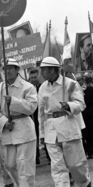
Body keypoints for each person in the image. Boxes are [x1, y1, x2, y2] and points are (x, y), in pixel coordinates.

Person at [38, 56, 92, 187]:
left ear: (52, 70)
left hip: (68, 127)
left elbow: (81, 104)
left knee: (76, 164)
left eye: (43, 70)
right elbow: (41, 113)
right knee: (57, 167)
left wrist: (69, 105)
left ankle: (85, 183)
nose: (41, 73)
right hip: (51, 130)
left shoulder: (70, 83)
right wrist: (42, 134)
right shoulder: (42, 87)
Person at [0, 58, 37, 187]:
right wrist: (4, 122)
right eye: (5, 69)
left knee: (25, 167)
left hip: (24, 129)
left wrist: (13, 101)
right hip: (8, 131)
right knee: (10, 165)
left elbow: (31, 107)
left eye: (10, 68)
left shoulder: (28, 86)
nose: (7, 71)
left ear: (17, 70)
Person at [28, 68, 51, 165]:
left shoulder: (43, 87)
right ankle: (36, 157)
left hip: (42, 116)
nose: (33, 79)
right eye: (31, 78)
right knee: (34, 137)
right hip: (32, 117)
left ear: (38, 77)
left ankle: (49, 156)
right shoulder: (28, 89)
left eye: (35, 77)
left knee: (45, 136)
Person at [81, 72, 93, 159]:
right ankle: (85, 151)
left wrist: (87, 113)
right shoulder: (78, 90)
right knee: (82, 135)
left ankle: (91, 151)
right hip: (81, 116)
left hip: (89, 116)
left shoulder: (90, 89)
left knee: (90, 136)